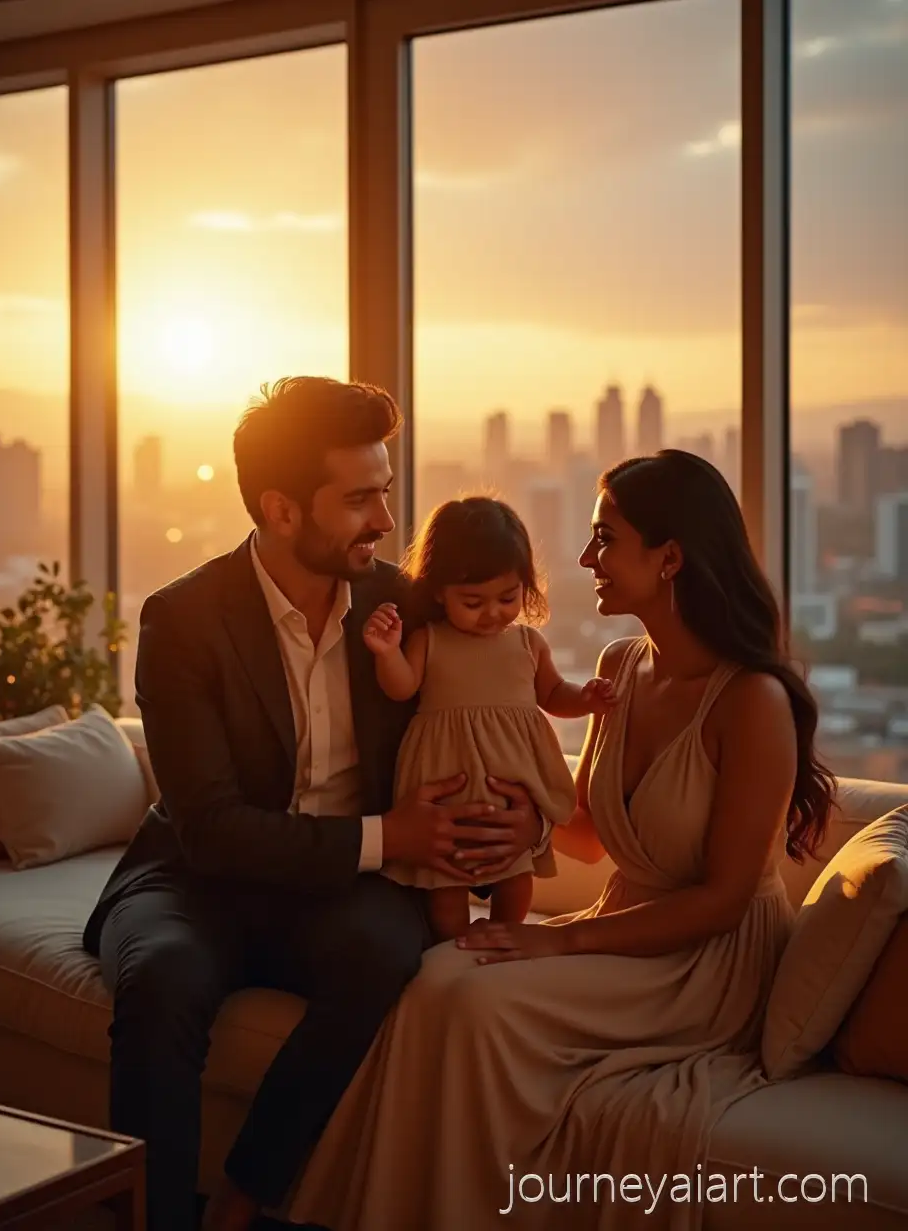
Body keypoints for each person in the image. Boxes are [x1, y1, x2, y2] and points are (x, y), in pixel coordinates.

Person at [288, 449, 837, 1231]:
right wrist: (523, 823)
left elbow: (722, 902)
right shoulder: (620, 667)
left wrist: (560, 941)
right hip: (624, 931)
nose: (584, 559)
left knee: (467, 998)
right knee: (437, 976)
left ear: (670, 558)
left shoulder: (753, 701)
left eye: (606, 539)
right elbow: (583, 839)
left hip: (706, 965)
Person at [81, 377, 548, 1231]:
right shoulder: (183, 620)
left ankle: (243, 1199)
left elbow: (487, 726)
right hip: (194, 879)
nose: (386, 520)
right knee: (163, 980)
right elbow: (210, 829)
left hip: (344, 891)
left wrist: (519, 824)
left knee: (384, 954)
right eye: (361, 499)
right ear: (282, 509)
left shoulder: (405, 608)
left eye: (386, 491)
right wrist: (390, 836)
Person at [363, 496, 618, 940]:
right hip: (448, 785)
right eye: (473, 602)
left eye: (507, 597)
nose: (492, 613)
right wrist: (386, 653)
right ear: (439, 592)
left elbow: (553, 694)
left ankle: (504, 936)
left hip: (510, 785)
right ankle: (454, 944)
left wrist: (585, 698)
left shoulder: (527, 644)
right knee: (445, 883)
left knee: (516, 877)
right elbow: (401, 687)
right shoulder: (431, 639)